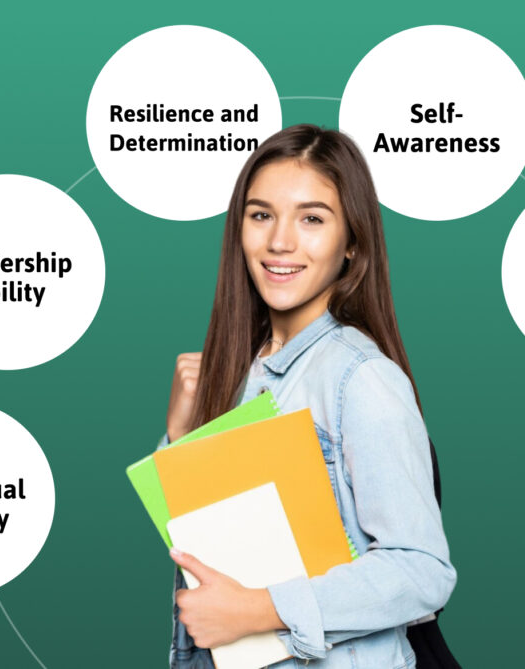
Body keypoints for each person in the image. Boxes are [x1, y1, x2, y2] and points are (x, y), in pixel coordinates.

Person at [159, 124, 455, 668]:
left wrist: (261, 609)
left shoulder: (360, 378)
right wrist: (183, 440)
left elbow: (422, 571)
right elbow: (221, 554)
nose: (280, 241)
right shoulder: (241, 372)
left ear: (352, 243)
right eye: (261, 215)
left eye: (312, 219)